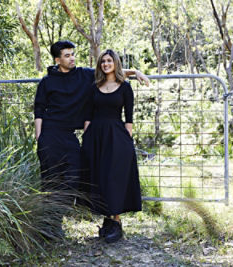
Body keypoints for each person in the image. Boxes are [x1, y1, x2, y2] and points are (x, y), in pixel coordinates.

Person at [34, 40, 148, 193]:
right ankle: (51, 215)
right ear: (58, 60)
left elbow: (109, 71)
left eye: (73, 54)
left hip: (69, 135)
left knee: (74, 176)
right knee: (51, 178)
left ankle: (62, 210)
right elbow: (39, 108)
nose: (72, 58)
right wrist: (39, 136)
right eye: (67, 56)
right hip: (49, 133)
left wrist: (135, 72)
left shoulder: (84, 75)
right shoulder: (47, 82)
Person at [81, 49, 142, 243]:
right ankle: (107, 221)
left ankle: (116, 222)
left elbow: (129, 118)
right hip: (96, 137)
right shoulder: (94, 87)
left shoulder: (125, 87)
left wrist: (127, 142)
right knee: (100, 177)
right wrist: (86, 139)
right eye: (102, 62)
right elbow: (88, 116)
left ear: (115, 63)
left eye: (109, 61)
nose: (105, 64)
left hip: (117, 137)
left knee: (114, 177)